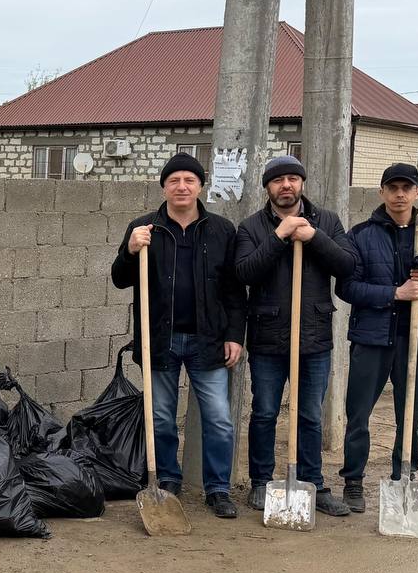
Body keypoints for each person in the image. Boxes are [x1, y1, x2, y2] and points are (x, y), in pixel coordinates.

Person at [111, 153, 248, 519]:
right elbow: (120, 279)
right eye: (175, 181)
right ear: (164, 187)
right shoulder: (144, 228)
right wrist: (130, 250)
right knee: (160, 418)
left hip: (209, 339)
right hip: (160, 339)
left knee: (218, 418)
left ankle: (217, 489)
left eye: (189, 180)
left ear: (200, 186)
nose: (182, 187)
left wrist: (235, 335)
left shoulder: (221, 230)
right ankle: (167, 481)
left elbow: (234, 291)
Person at [234, 155, 358, 516]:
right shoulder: (251, 227)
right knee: (265, 413)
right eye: (278, 180)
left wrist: (313, 237)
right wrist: (280, 236)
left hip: (314, 337)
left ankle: (313, 485)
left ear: (302, 183)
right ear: (267, 187)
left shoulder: (328, 222)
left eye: (292, 178)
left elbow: (347, 265)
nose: (285, 185)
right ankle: (260, 482)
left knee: (309, 416)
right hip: (268, 337)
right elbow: (245, 272)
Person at [336, 162, 418, 511]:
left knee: (410, 415)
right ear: (382, 192)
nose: (400, 194)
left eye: (407, 188)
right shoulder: (360, 236)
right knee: (358, 414)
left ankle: (404, 474)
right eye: (393, 188)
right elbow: (347, 287)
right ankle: (353, 481)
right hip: (372, 339)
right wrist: (394, 293)